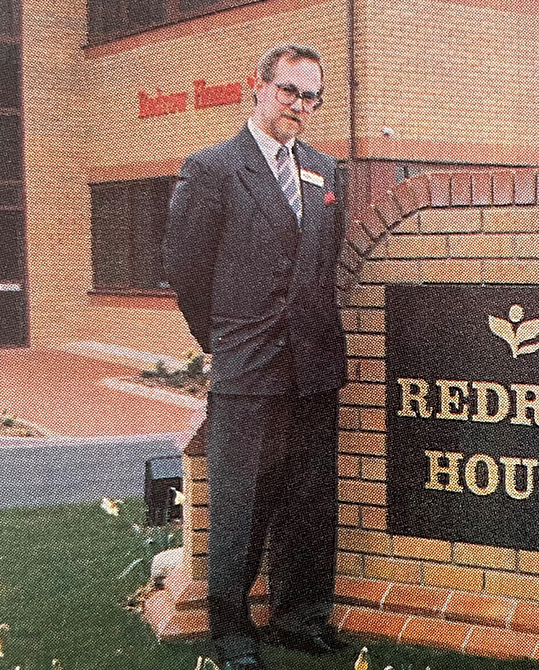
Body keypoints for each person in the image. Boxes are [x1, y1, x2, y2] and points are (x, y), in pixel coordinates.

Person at [163, 43, 348, 670]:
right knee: (241, 508)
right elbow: (185, 269)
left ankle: (301, 618)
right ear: (259, 87)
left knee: (309, 502)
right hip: (248, 368)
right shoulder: (213, 168)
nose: (300, 105)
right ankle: (233, 633)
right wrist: (223, 339)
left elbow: (324, 264)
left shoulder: (325, 171)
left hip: (314, 367)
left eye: (311, 96)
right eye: (290, 90)